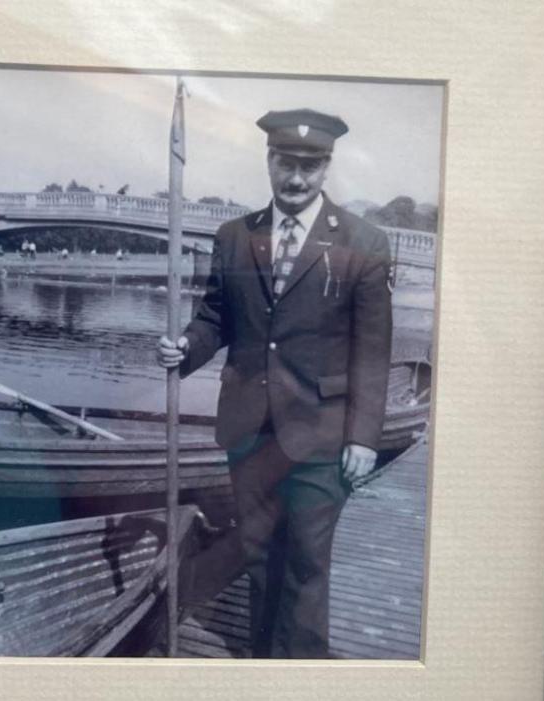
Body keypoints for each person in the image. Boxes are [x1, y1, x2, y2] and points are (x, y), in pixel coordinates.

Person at [157, 108, 392, 659]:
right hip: (250, 431)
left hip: (322, 434)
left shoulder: (364, 242)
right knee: (259, 553)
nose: (296, 178)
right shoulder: (235, 236)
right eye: (286, 163)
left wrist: (363, 437)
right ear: (269, 161)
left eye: (309, 167)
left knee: (308, 564)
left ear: (327, 168)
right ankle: (264, 670)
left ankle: (303, 675)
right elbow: (216, 318)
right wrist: (186, 347)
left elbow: (374, 350)